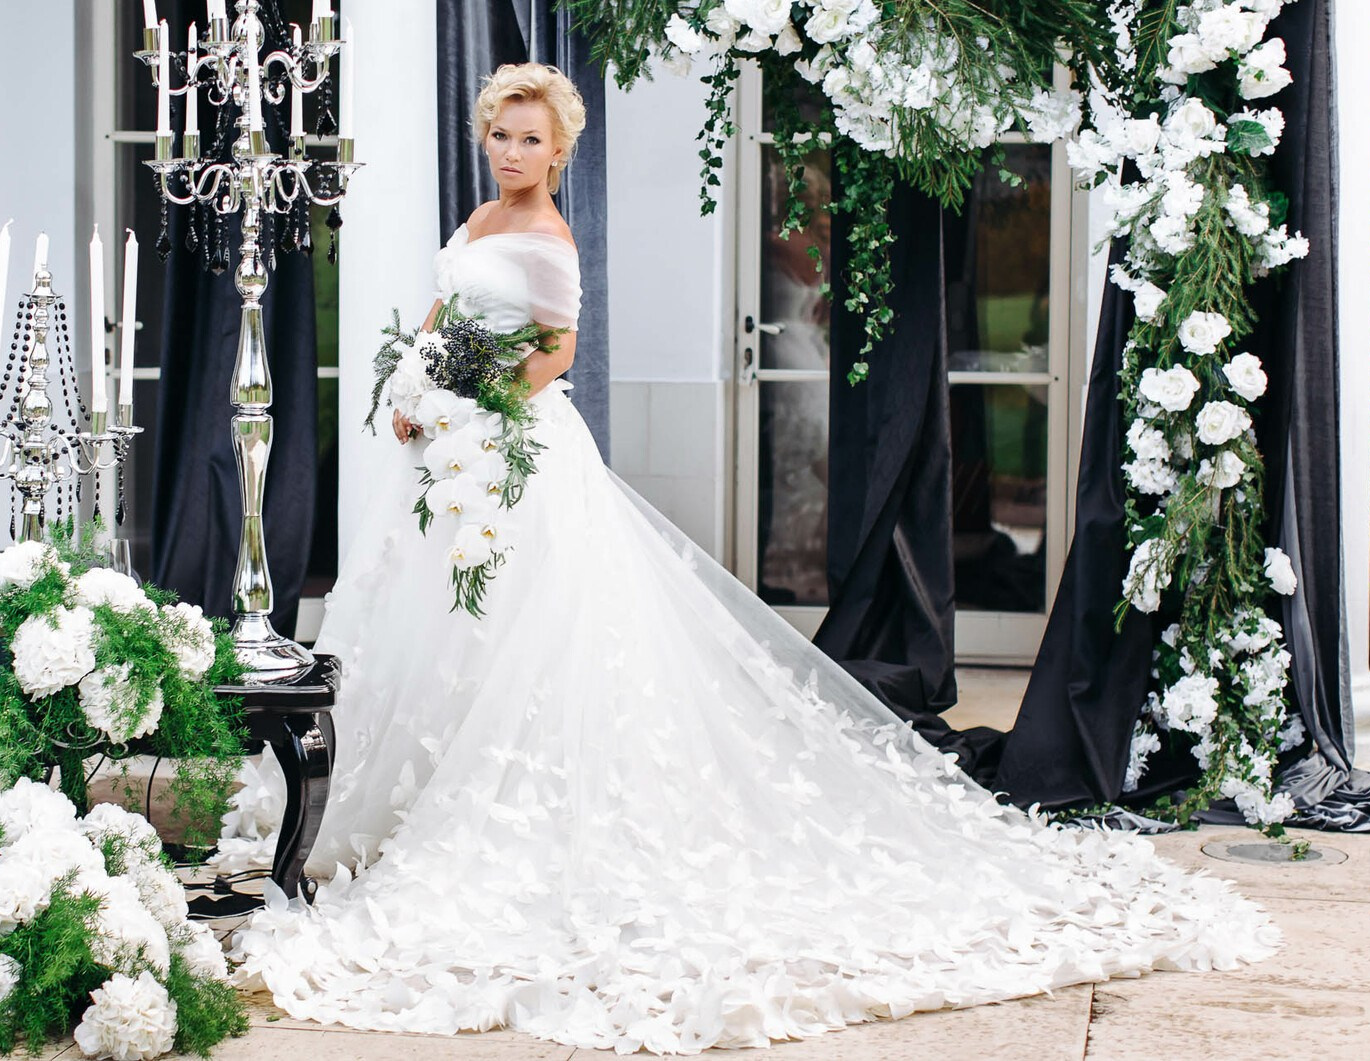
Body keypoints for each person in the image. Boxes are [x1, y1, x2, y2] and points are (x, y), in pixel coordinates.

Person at [228, 63, 1276, 1054]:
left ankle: (501, 813)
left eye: (528, 139)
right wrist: (415, 389)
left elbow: (552, 353)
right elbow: (446, 313)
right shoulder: (480, 217)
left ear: (558, 151)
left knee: (522, 633)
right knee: (431, 626)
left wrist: (474, 403)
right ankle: (384, 804)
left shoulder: (546, 231)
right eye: (498, 134)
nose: (509, 151)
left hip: (512, 453)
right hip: (446, 455)